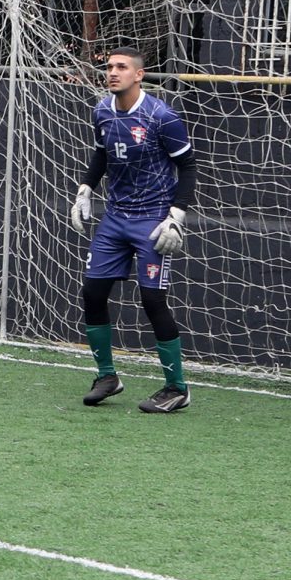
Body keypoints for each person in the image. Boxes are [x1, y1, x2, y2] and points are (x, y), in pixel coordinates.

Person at [73, 46, 195, 414]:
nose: (112, 72)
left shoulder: (162, 116)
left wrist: (176, 214)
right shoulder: (101, 112)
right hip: (115, 218)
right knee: (92, 293)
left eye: (121, 67)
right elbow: (101, 154)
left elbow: (187, 166)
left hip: (153, 219)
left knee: (152, 300)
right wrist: (85, 189)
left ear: (139, 75)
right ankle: (107, 376)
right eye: (109, 66)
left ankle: (177, 387)